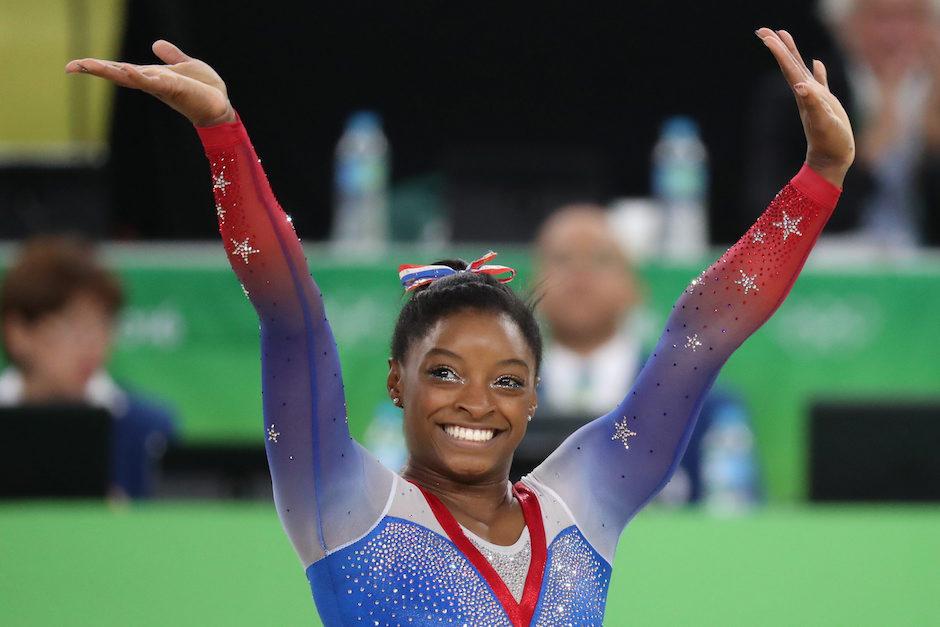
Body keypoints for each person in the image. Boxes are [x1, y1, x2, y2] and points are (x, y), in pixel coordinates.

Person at [67, 26, 854, 624]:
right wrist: (223, 136)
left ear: (534, 398)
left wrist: (819, 179)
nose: (476, 401)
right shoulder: (342, 501)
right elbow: (292, 316)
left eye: (507, 380)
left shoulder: (585, 502)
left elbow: (697, 337)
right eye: (444, 371)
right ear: (394, 383)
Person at [534, 205, 760, 506]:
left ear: (635, 286)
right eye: (562, 260)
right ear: (534, 279)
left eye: (601, 260)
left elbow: (737, 512)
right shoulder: (501, 396)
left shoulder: (702, 401)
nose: (580, 275)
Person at [746, 0, 940, 247]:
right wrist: (866, 153)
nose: (896, 33)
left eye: (913, 17)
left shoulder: (935, 94)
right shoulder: (800, 94)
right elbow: (771, 214)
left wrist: (934, 149)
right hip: (831, 257)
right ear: (844, 24)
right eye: (880, 18)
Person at [0, 236, 178, 498]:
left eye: (103, 325)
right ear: (18, 332)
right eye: (74, 326)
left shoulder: (149, 428)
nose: (93, 345)